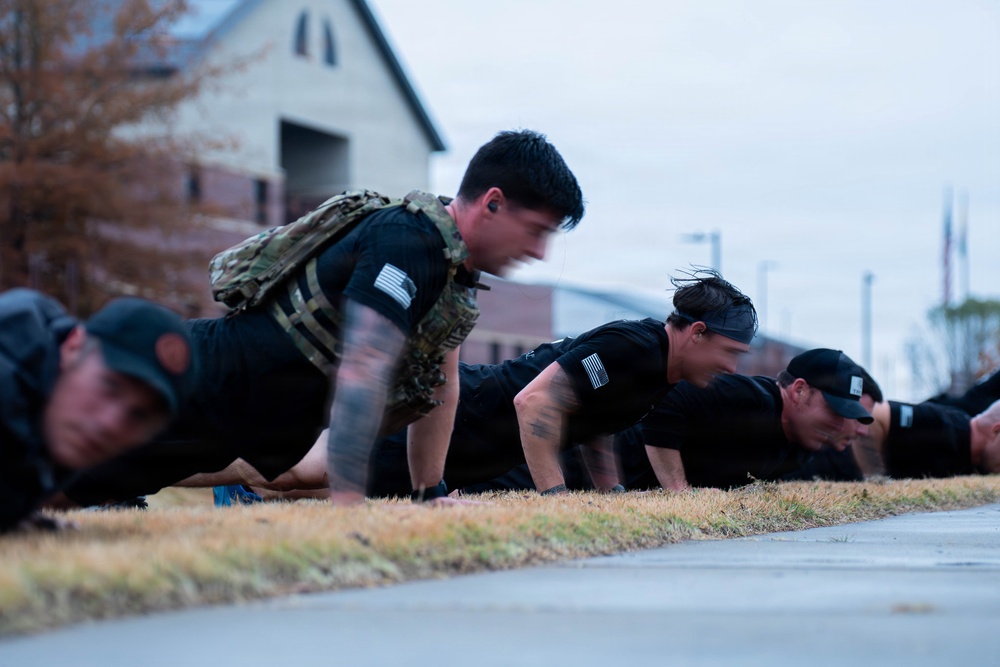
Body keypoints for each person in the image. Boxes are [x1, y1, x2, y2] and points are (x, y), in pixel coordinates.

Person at [60, 129, 585, 508]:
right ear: (492, 203)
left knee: (65, 490)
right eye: (535, 230)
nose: (539, 252)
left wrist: (430, 494)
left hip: (231, 420)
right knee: (50, 462)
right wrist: (350, 506)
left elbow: (440, 389)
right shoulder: (407, 242)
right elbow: (363, 368)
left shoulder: (452, 277)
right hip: (198, 384)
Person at [192, 271, 758, 498]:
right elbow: (534, 403)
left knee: (305, 485)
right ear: (698, 332)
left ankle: (232, 488)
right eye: (730, 353)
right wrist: (555, 499)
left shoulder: (658, 374)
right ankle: (140, 468)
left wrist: (612, 499)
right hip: (455, 417)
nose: (733, 367)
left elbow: (597, 426)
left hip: (471, 452)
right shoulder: (633, 346)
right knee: (303, 470)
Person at [0, 288, 196, 531]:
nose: (111, 424)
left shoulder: (52, 417)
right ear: (73, 346)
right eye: (110, 386)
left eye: (138, 415)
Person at [615, 348, 874, 490]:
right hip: (600, 473)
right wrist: (679, 492)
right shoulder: (749, 398)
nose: (840, 425)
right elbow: (668, 397)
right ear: (799, 390)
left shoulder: (802, 443)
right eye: (834, 410)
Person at [787, 372, 1000, 481]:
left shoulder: (965, 451)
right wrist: (875, 481)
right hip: (812, 471)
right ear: (996, 431)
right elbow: (876, 415)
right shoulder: (944, 428)